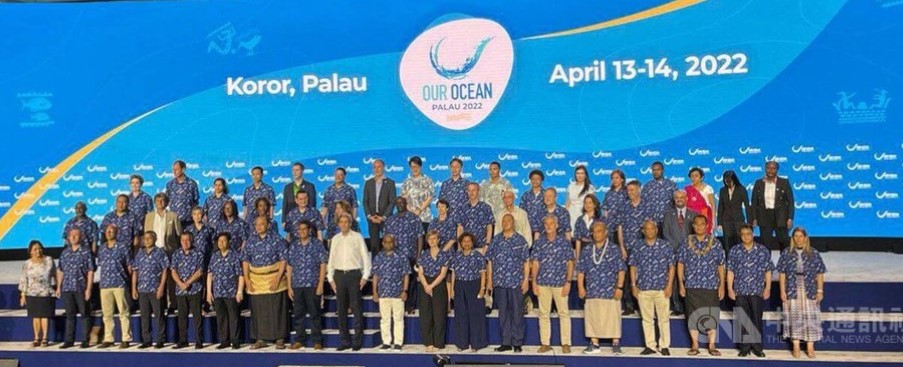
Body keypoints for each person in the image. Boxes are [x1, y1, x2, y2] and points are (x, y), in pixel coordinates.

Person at [677, 215, 725, 356]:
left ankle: (711, 345)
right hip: (692, 285)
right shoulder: (686, 242)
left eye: (702, 224)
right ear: (693, 226)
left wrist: (721, 285)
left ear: (707, 225)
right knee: (692, 317)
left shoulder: (715, 243)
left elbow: (721, 265)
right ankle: (695, 345)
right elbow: (680, 263)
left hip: (710, 286)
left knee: (711, 316)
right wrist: (680, 283)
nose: (699, 226)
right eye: (696, 224)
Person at [577, 222, 625, 355]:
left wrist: (619, 287)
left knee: (613, 316)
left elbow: (621, 270)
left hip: (610, 289)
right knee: (593, 317)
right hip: (592, 289)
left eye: (599, 231)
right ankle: (594, 343)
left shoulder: (614, 249)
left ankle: (615, 343)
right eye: (594, 231)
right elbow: (581, 271)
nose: (596, 233)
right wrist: (581, 287)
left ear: (605, 233)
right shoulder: (587, 250)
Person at [778, 227, 826, 359]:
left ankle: (810, 347)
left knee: (810, 317)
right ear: (792, 238)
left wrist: (820, 291)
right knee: (795, 317)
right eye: (796, 236)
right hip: (792, 289)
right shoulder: (787, 253)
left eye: (801, 236)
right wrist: (782, 291)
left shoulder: (813, 253)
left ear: (805, 238)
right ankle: (796, 345)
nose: (798, 238)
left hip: (809, 289)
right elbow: (782, 273)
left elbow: (820, 273)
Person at [629, 220, 675, 356]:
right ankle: (650, 345)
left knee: (663, 318)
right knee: (647, 319)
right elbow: (633, 266)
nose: (649, 231)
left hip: (661, 288)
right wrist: (633, 285)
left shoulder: (665, 246)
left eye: (652, 228)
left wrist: (669, 285)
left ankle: (664, 345)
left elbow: (671, 267)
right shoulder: (637, 246)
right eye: (647, 229)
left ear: (656, 230)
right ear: (643, 231)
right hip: (643, 288)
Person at [242, 216, 289, 349]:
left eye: (262, 224)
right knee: (258, 311)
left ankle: (279, 338)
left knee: (277, 309)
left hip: (274, 277)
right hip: (256, 280)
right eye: (257, 225)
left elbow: (284, 259)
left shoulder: (277, 239)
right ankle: (260, 339)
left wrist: (278, 278)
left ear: (268, 225)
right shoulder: (250, 242)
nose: (259, 227)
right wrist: (247, 279)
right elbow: (245, 261)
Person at [327, 214, 372, 351]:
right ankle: (344, 341)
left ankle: (357, 341)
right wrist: (330, 279)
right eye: (341, 222)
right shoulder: (335, 239)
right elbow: (331, 260)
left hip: (354, 275)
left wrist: (365, 277)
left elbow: (365, 257)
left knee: (357, 309)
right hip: (339, 276)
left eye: (346, 222)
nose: (344, 224)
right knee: (341, 311)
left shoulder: (357, 237)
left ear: (350, 223)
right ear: (338, 224)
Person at [727, 224, 773, 358]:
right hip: (740, 290)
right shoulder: (735, 251)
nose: (746, 236)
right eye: (743, 234)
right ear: (740, 235)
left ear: (753, 234)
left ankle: (757, 347)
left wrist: (768, 287)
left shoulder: (762, 250)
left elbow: (768, 270)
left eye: (748, 233)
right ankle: (745, 347)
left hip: (756, 290)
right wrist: (730, 288)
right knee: (743, 319)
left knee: (756, 319)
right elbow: (730, 271)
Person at [486, 214, 530, 353]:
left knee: (517, 312)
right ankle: (506, 342)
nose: (506, 223)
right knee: (503, 313)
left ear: (513, 222)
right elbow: (490, 261)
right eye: (503, 221)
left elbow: (526, 262)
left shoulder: (520, 240)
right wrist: (490, 280)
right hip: (499, 282)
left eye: (508, 220)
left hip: (516, 282)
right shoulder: (496, 240)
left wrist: (526, 280)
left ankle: (517, 342)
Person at [531, 215, 574, 354]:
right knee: (544, 314)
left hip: (560, 283)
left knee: (563, 313)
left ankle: (566, 343)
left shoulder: (564, 242)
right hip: (543, 282)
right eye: (546, 224)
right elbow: (535, 263)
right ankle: (545, 343)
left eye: (551, 223)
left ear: (556, 225)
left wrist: (568, 282)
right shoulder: (539, 242)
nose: (549, 226)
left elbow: (570, 263)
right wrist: (534, 282)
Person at [284, 221, 328, 350]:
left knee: (315, 314)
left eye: (304, 229)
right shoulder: (293, 246)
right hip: (297, 285)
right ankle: (299, 340)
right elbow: (289, 266)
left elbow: (323, 264)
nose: (302, 231)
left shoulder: (317, 244)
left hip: (312, 284)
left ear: (309, 230)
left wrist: (320, 284)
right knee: (298, 314)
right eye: (299, 229)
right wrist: (289, 286)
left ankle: (317, 341)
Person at [615, 180, 651, 315]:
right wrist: (622, 247)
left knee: (642, 277)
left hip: (643, 248)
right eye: (628, 190)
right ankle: (629, 305)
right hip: (628, 247)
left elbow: (651, 226)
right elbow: (619, 227)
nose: (630, 193)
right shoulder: (623, 206)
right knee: (627, 278)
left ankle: (642, 306)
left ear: (639, 190)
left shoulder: (647, 206)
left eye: (632, 190)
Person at [448, 233, 488, 352]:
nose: (466, 243)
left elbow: (483, 273)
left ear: (472, 242)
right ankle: (462, 344)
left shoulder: (478, 256)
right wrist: (452, 289)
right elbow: (454, 273)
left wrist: (482, 288)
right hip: (460, 286)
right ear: (461, 243)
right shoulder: (456, 256)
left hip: (474, 285)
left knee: (475, 315)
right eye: (464, 241)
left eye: (469, 241)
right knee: (461, 315)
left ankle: (477, 344)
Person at [383, 197, 423, 312]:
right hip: (395, 257)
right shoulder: (390, 220)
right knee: (396, 281)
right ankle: (397, 306)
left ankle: (410, 306)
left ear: (406, 203)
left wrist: (419, 255)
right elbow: (386, 238)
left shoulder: (414, 218)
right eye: (398, 203)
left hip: (410, 255)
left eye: (402, 202)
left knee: (411, 283)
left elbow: (420, 236)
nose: (400, 204)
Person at [661, 190, 698, 316]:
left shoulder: (694, 214)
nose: (679, 199)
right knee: (675, 279)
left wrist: (686, 249)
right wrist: (677, 249)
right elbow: (665, 233)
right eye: (677, 198)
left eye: (682, 197)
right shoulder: (667, 215)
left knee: (689, 279)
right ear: (674, 199)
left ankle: (689, 305)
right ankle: (677, 306)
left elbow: (695, 235)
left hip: (690, 253)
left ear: (686, 198)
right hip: (673, 252)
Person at [56, 228, 95, 349]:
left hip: (81, 288)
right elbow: (60, 271)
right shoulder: (65, 253)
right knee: (70, 315)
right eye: (71, 236)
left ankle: (85, 339)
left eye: (76, 236)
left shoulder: (86, 252)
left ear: (81, 237)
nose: (73, 238)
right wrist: (58, 287)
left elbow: (90, 271)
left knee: (85, 314)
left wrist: (88, 289)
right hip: (67, 288)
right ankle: (69, 340)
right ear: (68, 237)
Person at [372, 235, 411, 351]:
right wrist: (375, 292)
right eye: (386, 242)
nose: (388, 244)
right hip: (383, 292)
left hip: (398, 293)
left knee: (398, 319)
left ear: (394, 243)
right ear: (383, 243)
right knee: (385, 319)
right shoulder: (378, 258)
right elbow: (375, 276)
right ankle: (386, 342)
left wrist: (405, 290)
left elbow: (406, 275)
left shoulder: (401, 257)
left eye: (391, 242)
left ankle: (398, 342)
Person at [131, 231, 169, 349]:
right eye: (145, 238)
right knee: (145, 316)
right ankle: (147, 340)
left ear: (155, 239)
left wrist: (162, 287)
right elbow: (135, 271)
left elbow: (165, 270)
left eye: (149, 238)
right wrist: (134, 288)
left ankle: (160, 339)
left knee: (159, 315)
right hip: (142, 289)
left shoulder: (160, 252)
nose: (147, 240)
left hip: (155, 289)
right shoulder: (140, 253)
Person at [144, 192, 182, 311]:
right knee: (156, 278)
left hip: (169, 251)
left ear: (166, 202)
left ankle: (172, 303)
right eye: (158, 201)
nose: (160, 203)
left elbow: (179, 235)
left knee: (171, 279)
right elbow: (146, 235)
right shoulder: (149, 216)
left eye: (163, 201)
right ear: (154, 202)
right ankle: (158, 303)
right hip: (154, 252)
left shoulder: (173, 216)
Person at [96, 225, 132, 348]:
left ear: (116, 232)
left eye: (112, 230)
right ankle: (108, 339)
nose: (109, 232)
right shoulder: (101, 249)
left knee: (123, 312)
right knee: (107, 314)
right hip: (105, 284)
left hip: (120, 283)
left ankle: (126, 338)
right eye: (107, 231)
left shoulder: (123, 247)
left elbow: (129, 266)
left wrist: (130, 283)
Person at [207, 232, 244, 350]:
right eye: (219, 241)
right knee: (221, 317)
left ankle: (235, 340)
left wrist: (239, 291)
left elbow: (240, 275)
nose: (221, 243)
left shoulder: (235, 256)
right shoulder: (214, 256)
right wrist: (209, 292)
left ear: (228, 242)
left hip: (231, 292)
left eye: (223, 241)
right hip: (218, 292)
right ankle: (224, 340)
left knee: (233, 317)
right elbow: (210, 274)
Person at [416, 230, 451, 352]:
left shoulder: (444, 255)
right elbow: (420, 272)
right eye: (430, 238)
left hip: (438, 284)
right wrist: (426, 285)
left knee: (439, 315)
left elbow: (443, 274)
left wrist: (431, 286)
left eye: (434, 238)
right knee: (426, 315)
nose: (432, 241)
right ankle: (428, 342)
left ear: (438, 240)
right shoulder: (424, 254)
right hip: (425, 284)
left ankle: (438, 343)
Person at [18, 240, 56, 347]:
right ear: (30, 251)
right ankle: (36, 337)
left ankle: (45, 338)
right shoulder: (27, 263)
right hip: (32, 293)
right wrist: (23, 295)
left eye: (39, 248)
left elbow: (55, 274)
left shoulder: (48, 260)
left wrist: (57, 288)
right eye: (35, 249)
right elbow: (24, 279)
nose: (38, 251)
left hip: (45, 292)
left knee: (44, 316)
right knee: (35, 316)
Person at [171, 232, 206, 349]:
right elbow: (173, 271)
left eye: (187, 240)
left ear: (192, 241)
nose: (185, 242)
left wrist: (188, 283)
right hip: (180, 290)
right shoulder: (176, 254)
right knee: (182, 316)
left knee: (197, 316)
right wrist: (181, 283)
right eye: (183, 240)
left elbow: (200, 271)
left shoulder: (198, 253)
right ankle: (183, 340)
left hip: (195, 289)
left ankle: (199, 340)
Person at [751, 161, 795, 251]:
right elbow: (754, 202)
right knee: (765, 243)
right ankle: (766, 264)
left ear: (777, 170)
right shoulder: (758, 183)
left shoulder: (784, 182)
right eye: (768, 168)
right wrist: (754, 218)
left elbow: (791, 201)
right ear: (765, 169)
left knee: (784, 242)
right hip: (764, 216)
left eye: (773, 168)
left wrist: (790, 218)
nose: (770, 170)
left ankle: (785, 263)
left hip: (781, 216)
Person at [363, 159, 397, 253]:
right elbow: (365, 201)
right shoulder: (368, 183)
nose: (377, 169)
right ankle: (375, 266)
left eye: (379, 167)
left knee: (388, 245)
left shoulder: (390, 183)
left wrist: (384, 217)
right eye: (375, 167)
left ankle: (388, 266)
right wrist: (370, 216)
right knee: (374, 246)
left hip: (386, 219)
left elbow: (392, 202)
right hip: (372, 219)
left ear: (383, 168)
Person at [400, 156, 435, 234]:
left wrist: (419, 210)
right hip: (410, 217)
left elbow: (430, 197)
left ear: (421, 167)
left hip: (424, 217)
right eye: (412, 167)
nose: (415, 169)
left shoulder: (428, 180)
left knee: (423, 241)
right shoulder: (406, 182)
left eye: (417, 166)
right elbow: (403, 199)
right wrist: (411, 211)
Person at [717, 170, 750, 252]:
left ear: (734, 179)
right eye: (726, 180)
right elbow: (720, 207)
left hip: (738, 220)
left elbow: (747, 206)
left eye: (729, 180)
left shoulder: (742, 189)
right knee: (727, 243)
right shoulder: (722, 190)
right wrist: (719, 223)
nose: (728, 182)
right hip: (726, 221)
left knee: (739, 241)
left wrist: (749, 221)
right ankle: (729, 262)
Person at [321, 167, 358, 240]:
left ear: (344, 176)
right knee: (332, 245)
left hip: (346, 223)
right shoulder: (329, 190)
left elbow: (354, 206)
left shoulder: (350, 189)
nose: (338, 176)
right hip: (332, 223)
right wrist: (323, 220)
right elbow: (325, 206)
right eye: (336, 174)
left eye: (340, 175)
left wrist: (353, 221)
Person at [455, 182, 494, 250]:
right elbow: (460, 229)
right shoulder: (461, 208)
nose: (471, 193)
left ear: (478, 191)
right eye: (469, 190)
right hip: (466, 248)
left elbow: (489, 228)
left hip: (481, 246)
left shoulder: (486, 207)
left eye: (474, 190)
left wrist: (487, 245)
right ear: (467, 192)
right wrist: (459, 246)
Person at [165, 159, 200, 229]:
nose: (174, 172)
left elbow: (196, 201)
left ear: (183, 169)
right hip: (174, 220)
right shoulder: (170, 184)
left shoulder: (192, 184)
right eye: (173, 170)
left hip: (188, 221)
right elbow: (167, 200)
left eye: (176, 169)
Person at [685, 167, 716, 234]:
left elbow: (713, 205)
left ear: (701, 177)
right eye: (692, 176)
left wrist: (714, 221)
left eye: (696, 176)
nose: (694, 178)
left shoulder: (708, 188)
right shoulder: (687, 189)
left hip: (704, 215)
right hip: (691, 217)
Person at [573, 194, 603, 261]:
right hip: (582, 248)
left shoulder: (600, 219)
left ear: (594, 205)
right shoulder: (580, 219)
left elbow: (604, 238)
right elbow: (578, 239)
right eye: (585, 203)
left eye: (590, 203)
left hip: (597, 248)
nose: (587, 205)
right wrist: (577, 257)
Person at [566, 165, 595, 231]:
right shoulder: (571, 186)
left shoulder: (590, 188)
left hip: (584, 215)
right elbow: (568, 202)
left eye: (582, 173)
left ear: (585, 175)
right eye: (578, 173)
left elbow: (593, 205)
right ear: (575, 175)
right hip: (571, 215)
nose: (580, 175)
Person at [520, 170, 545, 242]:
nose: (535, 181)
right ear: (530, 180)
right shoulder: (526, 195)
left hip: (542, 229)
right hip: (528, 228)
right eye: (533, 179)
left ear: (542, 180)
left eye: (538, 179)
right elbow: (522, 212)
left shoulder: (546, 194)